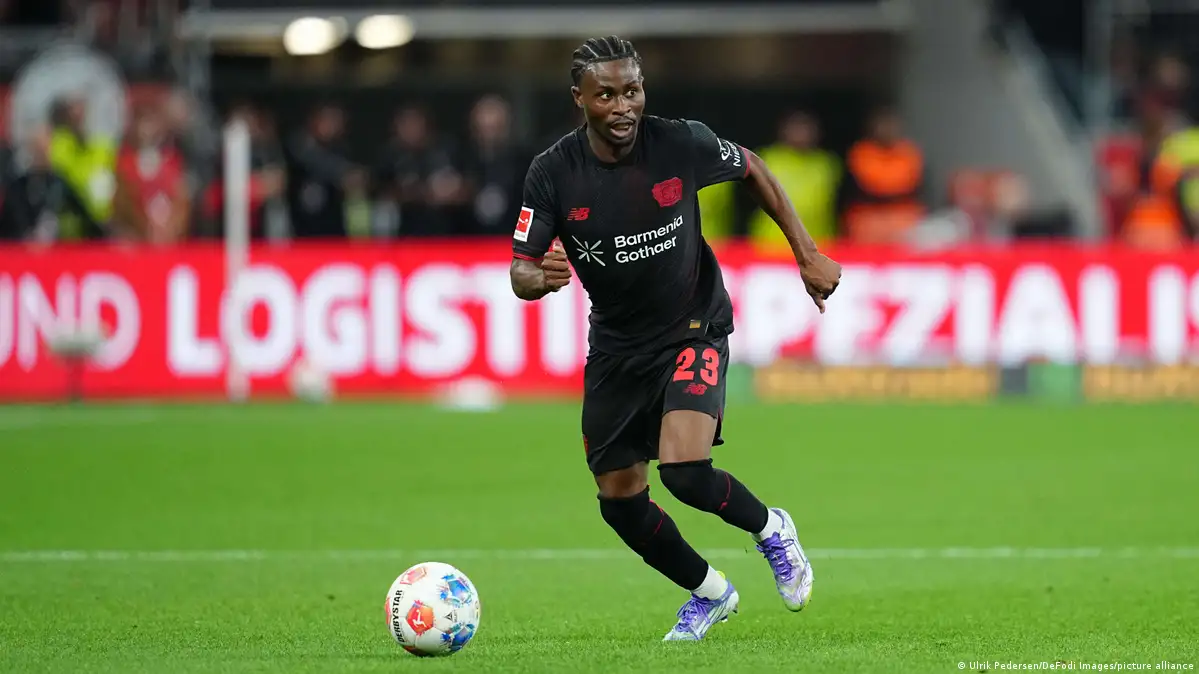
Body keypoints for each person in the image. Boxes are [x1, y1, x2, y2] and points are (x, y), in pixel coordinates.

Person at [508, 36, 842, 641]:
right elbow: (521, 270)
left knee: (685, 471)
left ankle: (772, 531)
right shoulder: (553, 173)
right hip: (617, 346)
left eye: (632, 91)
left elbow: (752, 167)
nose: (622, 107)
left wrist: (806, 253)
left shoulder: (680, 142)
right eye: (606, 95)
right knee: (619, 499)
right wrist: (541, 278)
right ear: (579, 98)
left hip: (694, 325)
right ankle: (710, 592)